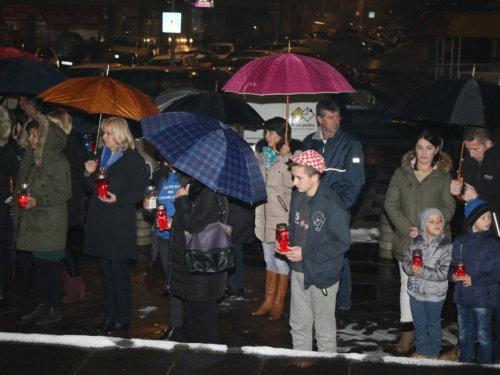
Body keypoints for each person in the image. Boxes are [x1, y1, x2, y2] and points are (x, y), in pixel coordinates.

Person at [385, 129, 456, 353]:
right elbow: (391, 204)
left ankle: (429, 331)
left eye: (429, 148)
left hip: (435, 243)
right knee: (408, 287)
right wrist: (407, 228)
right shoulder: (402, 173)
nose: (423, 153)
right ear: (413, 149)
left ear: (437, 150)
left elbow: (449, 207)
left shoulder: (443, 176)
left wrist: (431, 227)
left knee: (432, 286)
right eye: (419, 147)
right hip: (408, 240)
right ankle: (408, 333)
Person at [277, 150, 350, 354]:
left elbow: (342, 243)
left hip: (322, 276)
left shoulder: (332, 205)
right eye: (293, 177)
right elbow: (294, 227)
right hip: (299, 270)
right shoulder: (297, 197)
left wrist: (306, 253)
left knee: (324, 331)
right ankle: (303, 362)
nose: (294, 182)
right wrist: (285, 243)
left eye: (299, 177)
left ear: (315, 176)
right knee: (299, 325)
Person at [83, 117, 149, 337]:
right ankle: (108, 316)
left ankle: (122, 319)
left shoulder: (132, 158)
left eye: (108, 133)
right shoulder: (101, 157)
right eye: (103, 133)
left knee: (119, 274)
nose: (104, 137)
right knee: (107, 273)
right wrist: (87, 172)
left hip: (119, 223)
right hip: (100, 221)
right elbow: (90, 189)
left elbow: (141, 191)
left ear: (120, 134)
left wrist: (117, 198)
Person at [302, 98, 365, 326]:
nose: (336, 121)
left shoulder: (351, 144)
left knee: (338, 255)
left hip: (336, 211)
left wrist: (338, 209)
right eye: (331, 117)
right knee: (313, 252)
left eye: (338, 116)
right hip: (311, 209)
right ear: (320, 119)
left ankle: (343, 306)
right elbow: (302, 175)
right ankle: (317, 298)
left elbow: (355, 182)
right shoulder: (310, 141)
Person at [446, 127, 500, 362]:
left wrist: (480, 196)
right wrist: (457, 192)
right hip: (471, 232)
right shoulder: (467, 161)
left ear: (488, 144)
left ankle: (493, 353)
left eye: (476, 149)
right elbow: (465, 199)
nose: (472, 154)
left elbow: (490, 200)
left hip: (494, 233)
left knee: (492, 298)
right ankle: (465, 351)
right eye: (468, 150)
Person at [14, 114, 71, 325]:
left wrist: (38, 199)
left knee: (52, 267)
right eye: (29, 135)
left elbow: (64, 193)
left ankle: (54, 308)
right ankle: (42, 303)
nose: (30, 139)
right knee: (40, 265)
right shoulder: (34, 160)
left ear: (45, 137)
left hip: (51, 222)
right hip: (36, 221)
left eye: (34, 135)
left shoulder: (57, 162)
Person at [252, 117, 303, 320]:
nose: (268, 136)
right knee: (268, 259)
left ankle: (279, 303)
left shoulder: (293, 154)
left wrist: (285, 157)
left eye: (272, 132)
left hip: (281, 216)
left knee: (282, 261)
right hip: (262, 214)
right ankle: (267, 300)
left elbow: (291, 183)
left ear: (283, 134)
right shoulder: (261, 154)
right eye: (266, 132)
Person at [167, 176, 228, 344]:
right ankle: (198, 352)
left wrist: (181, 199)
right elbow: (195, 221)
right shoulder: (197, 188)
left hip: (204, 264)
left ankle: (209, 357)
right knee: (193, 314)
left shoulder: (209, 193)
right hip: (194, 262)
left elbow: (193, 224)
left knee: (203, 317)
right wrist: (175, 222)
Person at [449, 199, 500, 364]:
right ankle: (465, 363)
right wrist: (453, 276)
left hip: (484, 300)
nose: (488, 220)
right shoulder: (460, 241)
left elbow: (497, 273)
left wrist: (474, 280)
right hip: (463, 298)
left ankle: (484, 366)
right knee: (464, 334)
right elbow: (451, 266)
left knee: (484, 336)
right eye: (483, 217)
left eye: (489, 217)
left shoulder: (493, 244)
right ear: (472, 219)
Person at [47, 110, 88, 303]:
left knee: (63, 243)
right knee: (59, 243)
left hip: (71, 200)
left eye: (52, 124)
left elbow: (78, 175)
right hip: (60, 199)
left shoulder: (73, 145)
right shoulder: (55, 146)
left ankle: (76, 283)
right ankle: (65, 279)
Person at [402, 208, 452, 359]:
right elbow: (406, 259)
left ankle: (434, 352)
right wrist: (410, 268)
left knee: (433, 325)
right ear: (424, 225)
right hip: (416, 292)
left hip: (434, 294)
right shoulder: (416, 242)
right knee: (419, 323)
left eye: (439, 220)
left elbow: (444, 272)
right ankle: (421, 350)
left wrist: (423, 271)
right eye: (431, 221)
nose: (436, 223)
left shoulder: (447, 246)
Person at [142, 158, 183, 340]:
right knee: (171, 282)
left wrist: (176, 222)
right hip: (164, 238)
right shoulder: (161, 177)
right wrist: (148, 208)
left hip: (182, 239)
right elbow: (153, 210)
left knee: (181, 281)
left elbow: (194, 211)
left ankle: (179, 324)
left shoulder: (187, 179)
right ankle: (177, 323)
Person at [225, 124, 256, 298]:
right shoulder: (223, 151)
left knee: (235, 247)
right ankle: (227, 283)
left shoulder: (243, 154)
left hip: (238, 208)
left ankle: (235, 284)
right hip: (227, 207)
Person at [0, 106, 20, 310]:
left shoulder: (6, 149)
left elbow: (14, 172)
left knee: (2, 246)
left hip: (1, 202)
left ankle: (3, 286)